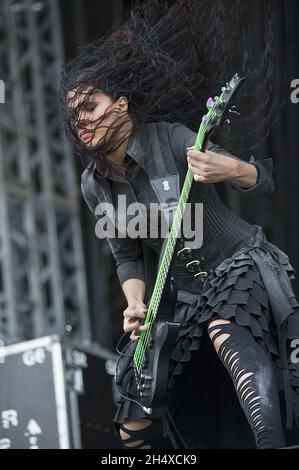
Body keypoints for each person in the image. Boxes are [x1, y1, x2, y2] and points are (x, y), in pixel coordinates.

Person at [59, 0, 299, 449]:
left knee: (226, 330)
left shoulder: (169, 137)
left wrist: (225, 170)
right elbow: (126, 255)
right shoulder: (95, 185)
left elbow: (261, 179)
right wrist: (136, 304)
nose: (81, 120)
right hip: (183, 299)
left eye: (90, 106)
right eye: (74, 113)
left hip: (240, 267)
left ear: (122, 105)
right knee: (133, 421)